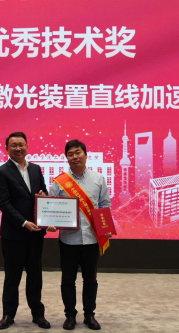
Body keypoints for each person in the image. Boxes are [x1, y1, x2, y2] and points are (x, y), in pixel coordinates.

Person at [47, 140, 112, 331]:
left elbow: (104, 204)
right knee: (68, 280)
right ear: (66, 158)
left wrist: (106, 227)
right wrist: (50, 222)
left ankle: (89, 315)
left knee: (90, 279)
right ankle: (70, 315)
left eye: (78, 153)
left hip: (92, 238)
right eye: (70, 154)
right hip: (68, 239)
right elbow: (50, 207)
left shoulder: (98, 178)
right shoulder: (60, 182)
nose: (75, 157)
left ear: (85, 154)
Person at [0, 132, 51, 330]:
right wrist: (23, 222)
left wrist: (43, 195)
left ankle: (38, 314)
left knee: (35, 276)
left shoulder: (36, 169)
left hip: (36, 233)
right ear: (7, 149)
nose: (18, 148)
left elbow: (43, 193)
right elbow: (4, 204)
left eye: (21, 144)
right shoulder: (1, 172)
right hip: (14, 234)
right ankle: (8, 314)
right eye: (14, 145)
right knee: (12, 277)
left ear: (27, 146)